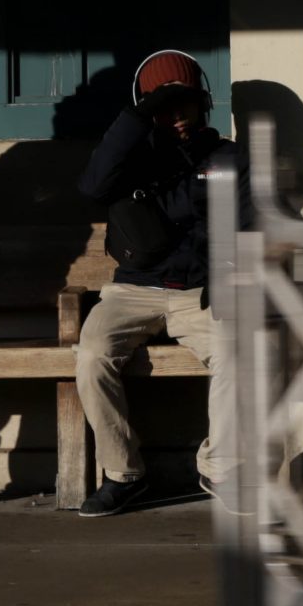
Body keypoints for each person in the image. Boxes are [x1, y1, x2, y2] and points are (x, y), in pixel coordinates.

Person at [73, 49, 247, 518]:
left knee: (241, 352)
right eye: (163, 107)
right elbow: (92, 189)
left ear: (204, 103)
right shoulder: (134, 158)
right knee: (91, 356)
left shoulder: (227, 157)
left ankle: (220, 469)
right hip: (134, 290)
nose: (178, 117)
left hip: (201, 292)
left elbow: (252, 222)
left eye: (185, 105)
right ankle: (123, 475)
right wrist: (137, 119)